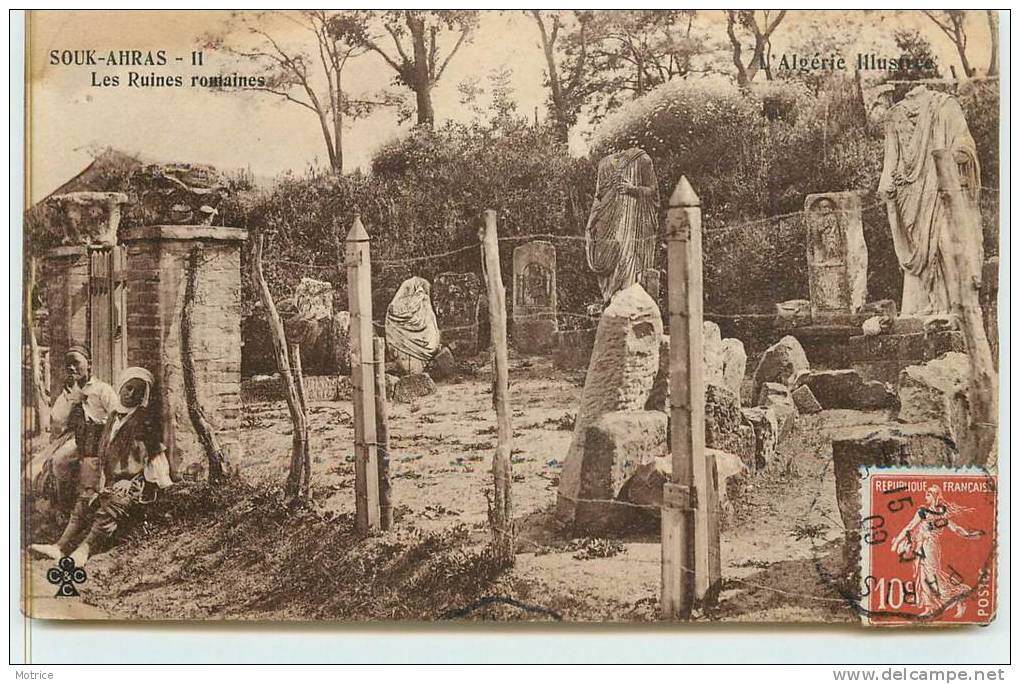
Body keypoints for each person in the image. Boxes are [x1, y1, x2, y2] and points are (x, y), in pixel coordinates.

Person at [29, 367, 172, 568]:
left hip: (134, 483)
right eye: (128, 388)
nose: (130, 394)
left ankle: (84, 551)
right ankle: (59, 546)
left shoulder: (142, 420)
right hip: (112, 480)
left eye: (137, 392)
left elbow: (154, 458)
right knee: (85, 500)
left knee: (111, 504)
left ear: (143, 396)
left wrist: (132, 481)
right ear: (120, 388)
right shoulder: (113, 416)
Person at [878, 84, 981, 316]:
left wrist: (956, 154)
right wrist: (887, 185)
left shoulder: (945, 105)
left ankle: (953, 308)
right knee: (918, 253)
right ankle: (920, 308)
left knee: (945, 241)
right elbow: (890, 159)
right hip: (909, 194)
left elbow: (964, 143)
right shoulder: (894, 115)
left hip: (939, 188)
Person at [27, 346, 119, 513]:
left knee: (87, 466)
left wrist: (108, 435)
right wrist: (70, 398)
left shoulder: (102, 389)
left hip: (98, 436)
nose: (71, 368)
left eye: (76, 363)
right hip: (76, 437)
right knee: (58, 461)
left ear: (89, 364)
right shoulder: (69, 391)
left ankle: (86, 505)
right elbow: (58, 418)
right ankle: (64, 506)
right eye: (68, 364)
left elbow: (116, 413)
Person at [889, 485, 985, 618]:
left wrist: (969, 535)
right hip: (920, 547)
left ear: (935, 496)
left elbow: (955, 528)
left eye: (928, 495)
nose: (925, 497)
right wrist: (897, 542)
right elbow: (910, 527)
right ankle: (929, 608)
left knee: (932, 577)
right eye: (926, 494)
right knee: (922, 577)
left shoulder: (942, 513)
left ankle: (958, 596)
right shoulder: (922, 511)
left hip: (931, 547)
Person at [584, 147, 660, 305]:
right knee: (606, 258)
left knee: (625, 257)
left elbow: (652, 191)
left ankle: (628, 302)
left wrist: (633, 189)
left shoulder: (642, 159)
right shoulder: (604, 163)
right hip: (606, 217)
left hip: (631, 220)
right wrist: (592, 219)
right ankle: (611, 302)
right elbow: (598, 195)